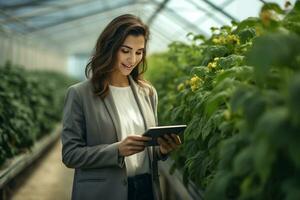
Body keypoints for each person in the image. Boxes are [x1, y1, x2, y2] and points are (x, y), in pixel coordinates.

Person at [61, 14, 181, 200]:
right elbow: (70, 155)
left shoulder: (147, 93)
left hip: (146, 190)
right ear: (110, 48)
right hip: (104, 193)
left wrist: (162, 150)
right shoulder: (80, 94)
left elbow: (146, 154)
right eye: (126, 50)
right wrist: (116, 150)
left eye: (139, 52)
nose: (132, 59)